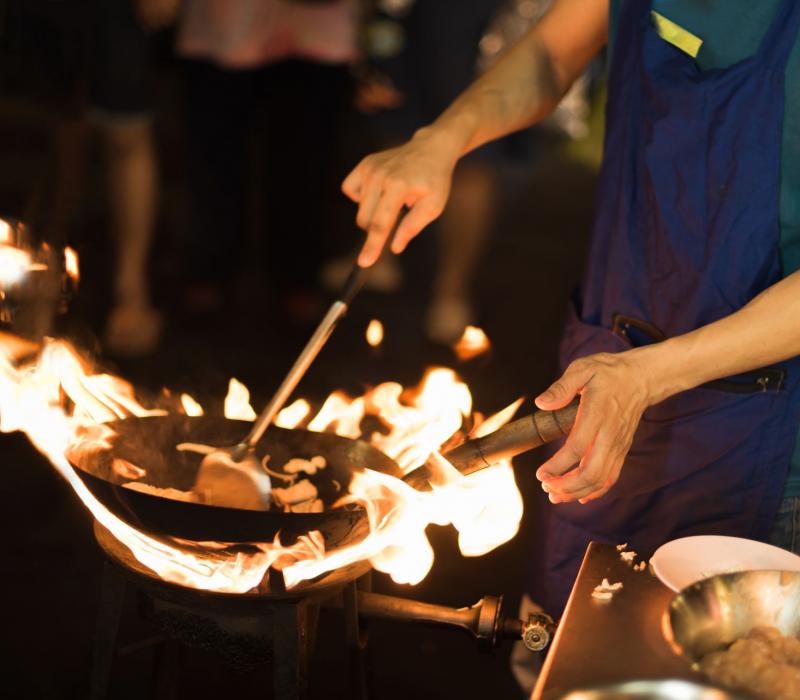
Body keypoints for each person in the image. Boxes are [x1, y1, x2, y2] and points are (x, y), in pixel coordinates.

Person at [342, 0, 800, 638]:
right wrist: (441, 139)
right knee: (576, 642)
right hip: (614, 343)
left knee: (719, 658)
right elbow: (553, 51)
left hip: (769, 420)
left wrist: (650, 375)